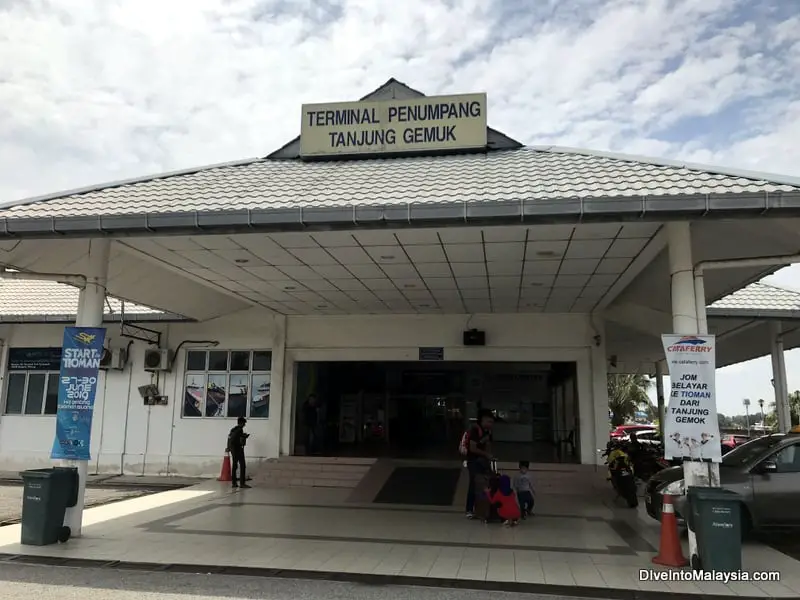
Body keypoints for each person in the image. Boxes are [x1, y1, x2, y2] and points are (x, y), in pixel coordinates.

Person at [465, 409, 494, 519]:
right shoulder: (475, 430)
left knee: (483, 485)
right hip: (473, 461)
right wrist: (486, 454)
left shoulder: (488, 432)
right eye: (489, 421)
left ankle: (481, 509)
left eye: (492, 422)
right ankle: (469, 509)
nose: (491, 424)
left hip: (483, 461)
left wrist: (489, 456)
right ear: (482, 420)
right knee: (473, 484)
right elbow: (472, 448)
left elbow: (488, 444)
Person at [226, 416, 250, 488]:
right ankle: (242, 483)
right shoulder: (239, 430)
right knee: (242, 466)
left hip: (233, 450)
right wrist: (245, 436)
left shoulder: (233, 429)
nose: (244, 425)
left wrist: (229, 447)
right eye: (244, 423)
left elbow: (229, 438)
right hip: (238, 449)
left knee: (235, 466)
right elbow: (239, 439)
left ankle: (234, 483)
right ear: (241, 423)